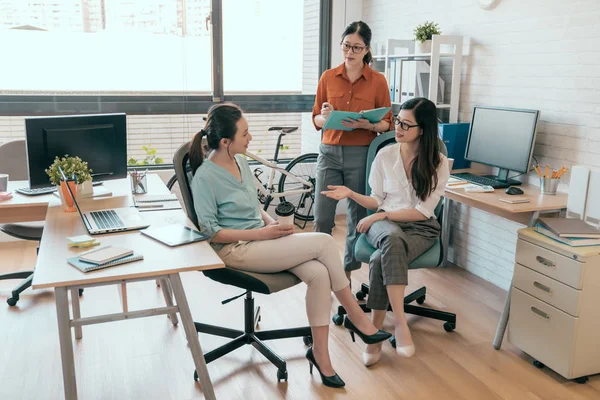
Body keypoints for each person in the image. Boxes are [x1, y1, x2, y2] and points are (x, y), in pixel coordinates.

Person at [189, 103, 391, 388]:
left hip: (260, 239)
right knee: (323, 242)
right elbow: (211, 233)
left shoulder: (240, 162)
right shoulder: (205, 178)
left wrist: (272, 224)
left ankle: (321, 356)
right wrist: (263, 235)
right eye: (245, 134)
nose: (251, 139)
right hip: (235, 251)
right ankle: (359, 319)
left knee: (319, 275)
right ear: (225, 142)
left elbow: (253, 206)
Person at [321, 98, 449, 367]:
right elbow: (375, 200)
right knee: (390, 237)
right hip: (383, 226)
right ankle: (400, 324)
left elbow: (422, 212)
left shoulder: (439, 163)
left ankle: (375, 330)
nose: (397, 127)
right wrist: (352, 195)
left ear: (423, 129)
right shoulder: (385, 155)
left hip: (419, 227)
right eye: (398, 120)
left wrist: (383, 214)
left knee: (381, 258)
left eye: (405, 124)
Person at [312, 21, 392, 281]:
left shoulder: (378, 81)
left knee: (356, 218)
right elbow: (316, 119)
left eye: (356, 47)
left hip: (361, 154)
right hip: (329, 152)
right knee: (323, 216)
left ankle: (346, 276)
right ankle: (321, 272)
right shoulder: (328, 77)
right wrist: (326, 117)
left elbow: (387, 123)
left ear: (366, 50)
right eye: (346, 45)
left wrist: (367, 123)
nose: (350, 52)